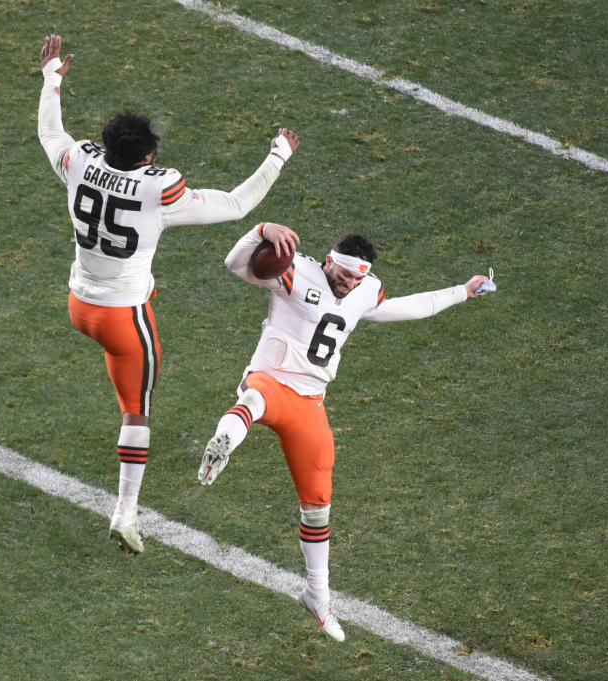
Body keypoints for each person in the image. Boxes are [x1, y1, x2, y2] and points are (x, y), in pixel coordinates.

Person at [36, 34, 300, 554]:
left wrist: (51, 78)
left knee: (130, 395)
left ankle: (127, 510)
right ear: (150, 155)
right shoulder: (160, 189)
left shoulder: (79, 163)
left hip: (79, 304)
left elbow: (51, 132)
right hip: (122, 315)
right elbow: (234, 205)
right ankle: (125, 513)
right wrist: (278, 156)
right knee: (137, 412)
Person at [197, 221, 492, 641]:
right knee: (254, 400)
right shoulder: (296, 270)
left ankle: (317, 595)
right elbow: (234, 263)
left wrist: (461, 291)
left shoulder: (366, 290)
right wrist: (260, 230)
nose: (349, 282)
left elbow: (408, 307)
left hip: (310, 402)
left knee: (318, 504)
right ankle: (223, 442)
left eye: (358, 276)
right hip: (271, 378)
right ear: (330, 260)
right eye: (345, 273)